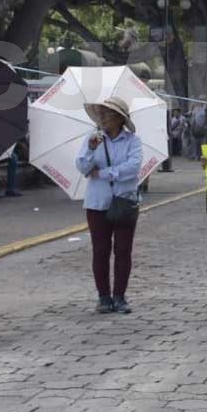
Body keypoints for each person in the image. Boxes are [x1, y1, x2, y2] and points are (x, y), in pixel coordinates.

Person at [74, 95, 143, 314]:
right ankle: (103, 297)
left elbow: (132, 168)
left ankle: (120, 296)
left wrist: (103, 173)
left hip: (124, 201)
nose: (104, 118)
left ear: (120, 118)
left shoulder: (133, 141)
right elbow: (82, 167)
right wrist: (91, 149)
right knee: (100, 251)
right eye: (102, 114)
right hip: (97, 204)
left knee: (123, 250)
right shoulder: (93, 138)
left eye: (108, 114)